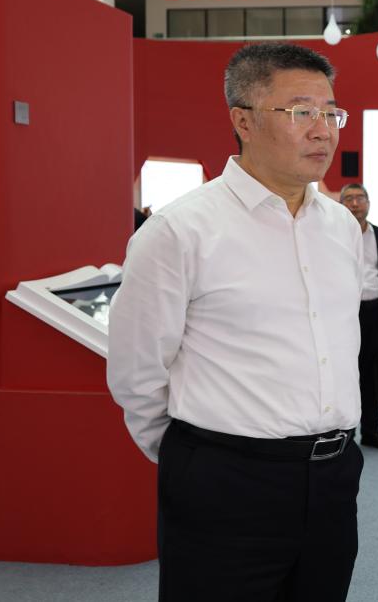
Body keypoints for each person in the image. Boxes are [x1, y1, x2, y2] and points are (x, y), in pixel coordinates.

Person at [107, 43, 364, 601]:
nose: (323, 131)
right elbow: (136, 369)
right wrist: (197, 458)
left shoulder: (341, 227)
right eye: (301, 112)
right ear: (243, 121)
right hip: (225, 480)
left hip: (334, 475)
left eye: (331, 113)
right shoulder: (180, 230)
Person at [340, 182, 378, 450]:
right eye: (349, 199)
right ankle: (345, 433)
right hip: (343, 315)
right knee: (346, 375)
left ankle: (372, 431)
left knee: (373, 376)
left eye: (360, 198)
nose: (355, 204)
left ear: (368, 203)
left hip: (375, 313)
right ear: (341, 204)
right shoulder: (332, 236)